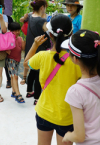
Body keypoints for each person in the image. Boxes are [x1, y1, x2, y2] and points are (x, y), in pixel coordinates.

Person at [23, 14, 80, 145]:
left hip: (44, 112)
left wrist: (35, 45)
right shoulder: (77, 62)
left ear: (49, 34)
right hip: (66, 116)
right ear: (71, 34)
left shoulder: (42, 56)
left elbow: (26, 63)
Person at [24, 0, 51, 105]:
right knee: (39, 73)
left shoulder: (30, 16)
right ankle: (37, 98)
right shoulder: (42, 21)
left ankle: (29, 91)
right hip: (40, 48)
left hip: (30, 47)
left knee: (32, 69)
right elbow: (48, 34)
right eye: (45, 7)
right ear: (42, 7)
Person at [6, 22, 26, 103]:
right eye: (15, 31)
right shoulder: (8, 38)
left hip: (18, 60)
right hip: (10, 60)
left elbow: (23, 49)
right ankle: (18, 94)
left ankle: (14, 91)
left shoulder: (20, 39)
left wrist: (23, 42)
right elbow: (6, 50)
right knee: (15, 76)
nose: (17, 32)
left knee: (13, 76)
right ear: (10, 31)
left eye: (18, 30)